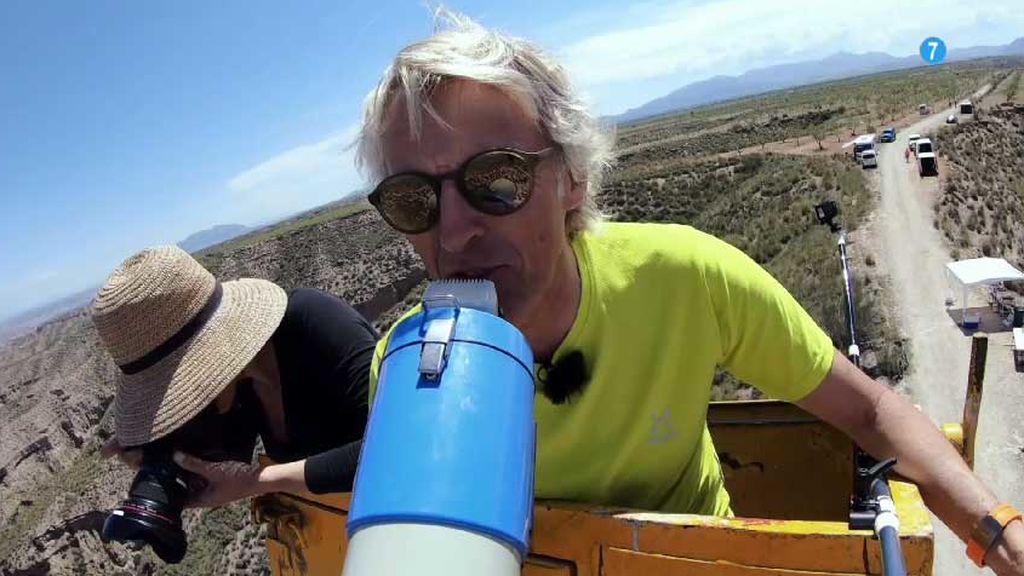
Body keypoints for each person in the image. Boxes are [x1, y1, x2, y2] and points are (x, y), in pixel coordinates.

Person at [355, 12, 1024, 573]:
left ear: (574, 179)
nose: (455, 229)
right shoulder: (411, 366)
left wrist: (996, 532)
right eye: (414, 199)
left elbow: (870, 409)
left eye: (496, 178)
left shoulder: (682, 278)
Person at [94, 245, 377, 507]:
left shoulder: (312, 320)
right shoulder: (234, 391)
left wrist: (258, 482)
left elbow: (400, 442)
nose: (184, 402)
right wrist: (155, 454)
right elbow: (216, 471)